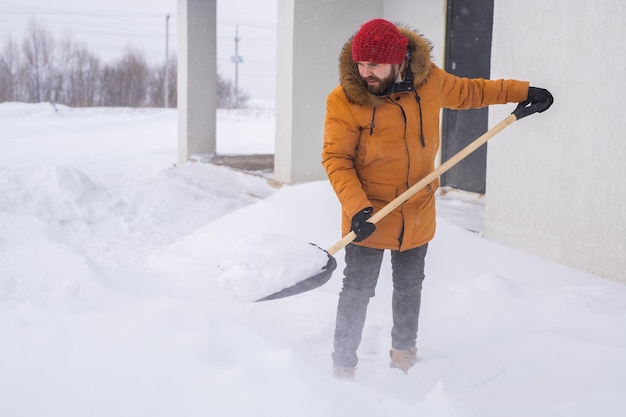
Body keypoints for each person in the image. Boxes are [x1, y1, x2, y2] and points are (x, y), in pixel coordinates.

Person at [321, 18, 553, 380]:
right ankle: (342, 365)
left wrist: (522, 91)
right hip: (369, 214)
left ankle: (404, 355)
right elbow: (337, 158)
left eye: (374, 65)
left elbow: (472, 92)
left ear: (399, 61)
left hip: (417, 210)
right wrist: (357, 208)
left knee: (409, 288)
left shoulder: (429, 83)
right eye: (360, 63)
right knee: (357, 290)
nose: (365, 72)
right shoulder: (345, 100)